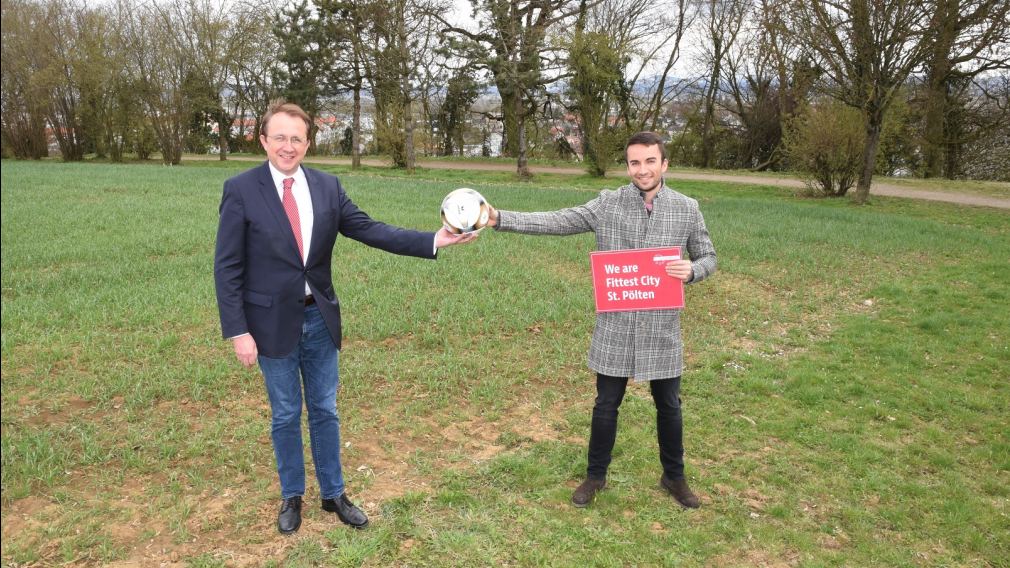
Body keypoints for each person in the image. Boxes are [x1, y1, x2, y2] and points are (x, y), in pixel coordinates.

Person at [214, 100, 475, 534]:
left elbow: (372, 229)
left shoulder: (327, 187)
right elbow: (227, 267)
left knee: (324, 410)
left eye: (297, 138)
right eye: (279, 137)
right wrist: (238, 330)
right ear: (263, 140)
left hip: (319, 319)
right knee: (284, 414)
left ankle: (334, 495)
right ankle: (291, 496)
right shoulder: (240, 190)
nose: (288, 146)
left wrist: (434, 240)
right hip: (269, 324)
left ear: (308, 143)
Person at [487, 131, 717, 509]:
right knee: (606, 404)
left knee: (670, 406)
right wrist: (500, 218)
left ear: (664, 164)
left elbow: (709, 256)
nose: (642, 170)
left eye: (649, 161)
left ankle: (674, 477)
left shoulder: (687, 208)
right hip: (616, 327)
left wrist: (693, 270)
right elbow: (558, 221)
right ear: (627, 166)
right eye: (634, 162)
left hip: (661, 328)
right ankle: (595, 476)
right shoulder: (607, 204)